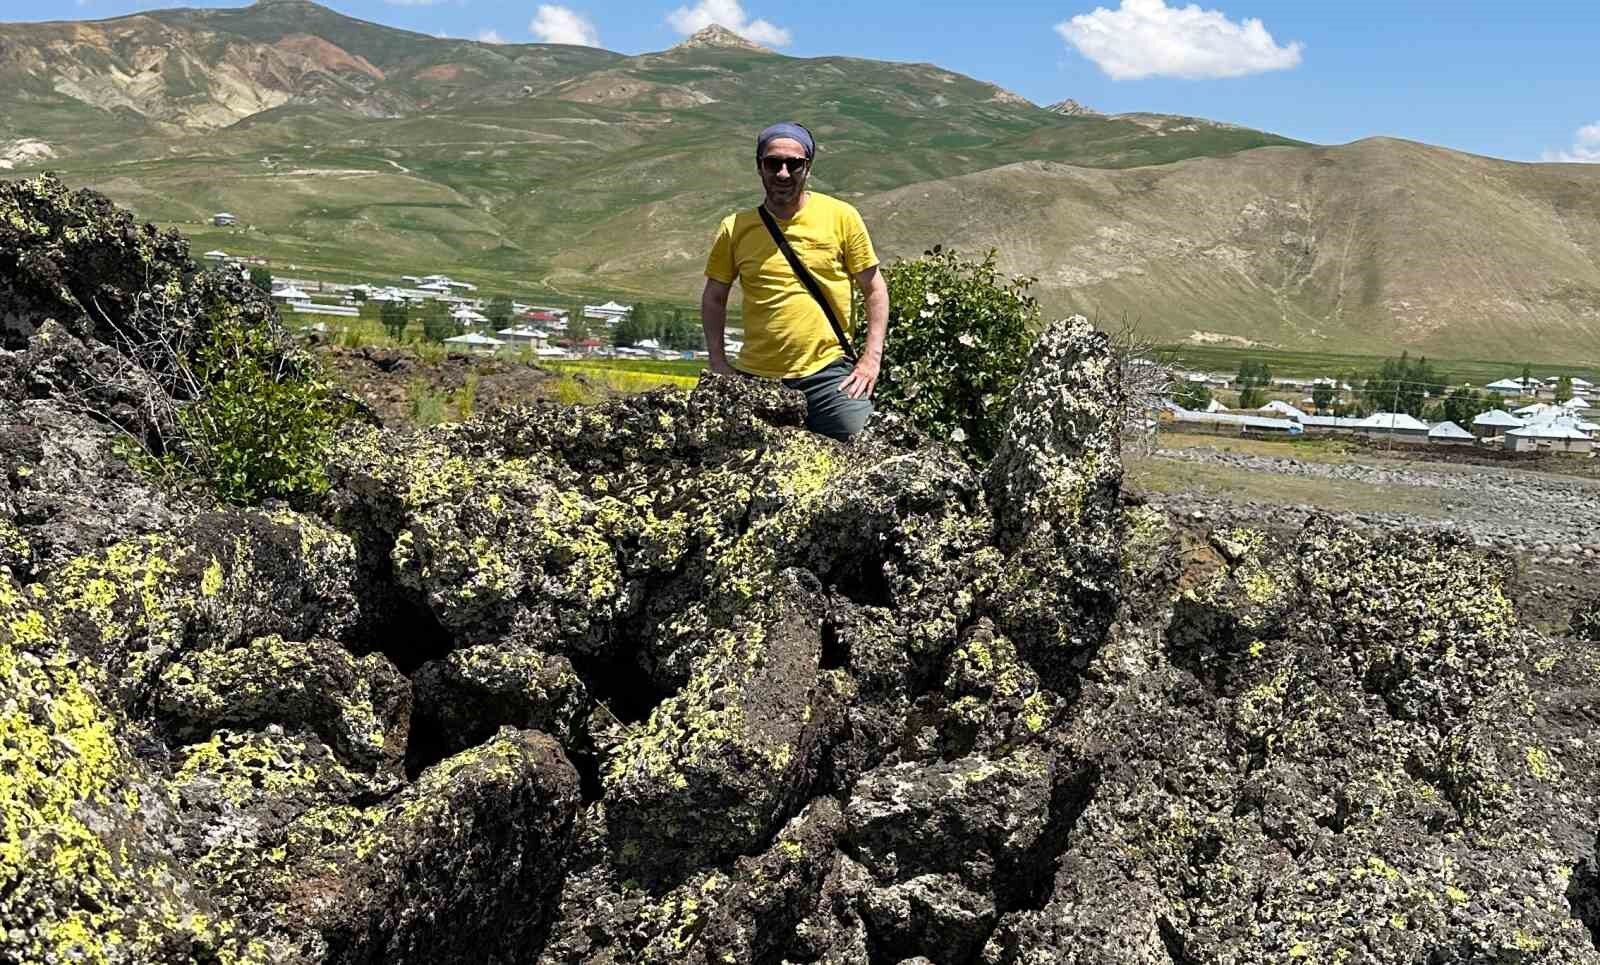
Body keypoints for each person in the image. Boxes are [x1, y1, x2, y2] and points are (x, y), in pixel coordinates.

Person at [700, 121, 889, 440]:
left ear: (808, 167)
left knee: (866, 450)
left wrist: (871, 359)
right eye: (773, 163)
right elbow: (714, 297)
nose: (783, 173)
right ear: (760, 167)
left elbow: (874, 289)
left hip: (829, 376)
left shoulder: (841, 217)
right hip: (755, 378)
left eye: (794, 164)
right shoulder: (735, 228)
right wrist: (718, 362)